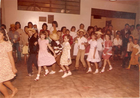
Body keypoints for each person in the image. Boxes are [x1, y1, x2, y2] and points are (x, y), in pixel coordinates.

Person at [0, 28, 18, 98]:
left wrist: (13, 68)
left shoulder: (6, 44)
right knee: (4, 80)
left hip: (4, 65)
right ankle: (14, 89)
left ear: (4, 36)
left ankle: (6, 96)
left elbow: (10, 57)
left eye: (0, 34)